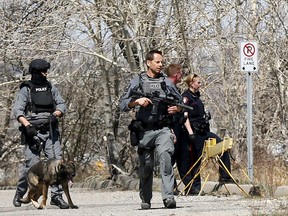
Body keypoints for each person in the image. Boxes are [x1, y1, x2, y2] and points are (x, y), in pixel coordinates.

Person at [119, 50, 183, 209]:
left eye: (162, 62)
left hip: (163, 129)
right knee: (146, 166)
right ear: (148, 62)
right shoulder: (137, 82)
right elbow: (122, 104)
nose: (161, 65)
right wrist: (136, 102)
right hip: (144, 131)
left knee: (166, 159)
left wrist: (177, 109)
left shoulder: (167, 83)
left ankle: (168, 197)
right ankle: (146, 198)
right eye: (158, 62)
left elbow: (180, 102)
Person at [12, 59, 69, 209]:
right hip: (32, 131)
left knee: (56, 164)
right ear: (36, 72)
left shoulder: (50, 87)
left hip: (50, 130)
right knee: (31, 165)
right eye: (43, 71)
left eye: (46, 70)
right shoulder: (26, 89)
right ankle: (20, 193)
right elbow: (18, 110)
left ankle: (57, 197)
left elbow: (62, 104)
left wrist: (55, 114)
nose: (46, 73)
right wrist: (27, 126)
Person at [182, 73, 234, 195]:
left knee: (222, 146)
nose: (200, 84)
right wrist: (190, 133)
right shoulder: (186, 97)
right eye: (198, 82)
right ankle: (194, 187)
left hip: (204, 131)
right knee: (196, 159)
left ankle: (225, 177)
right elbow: (185, 116)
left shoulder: (197, 97)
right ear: (191, 83)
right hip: (194, 132)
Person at [165, 64, 187, 194]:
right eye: (181, 74)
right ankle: (170, 188)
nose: (182, 76)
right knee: (170, 157)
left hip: (178, 125)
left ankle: (183, 185)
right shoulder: (167, 87)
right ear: (176, 74)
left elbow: (179, 106)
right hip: (171, 125)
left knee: (181, 156)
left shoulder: (174, 88)